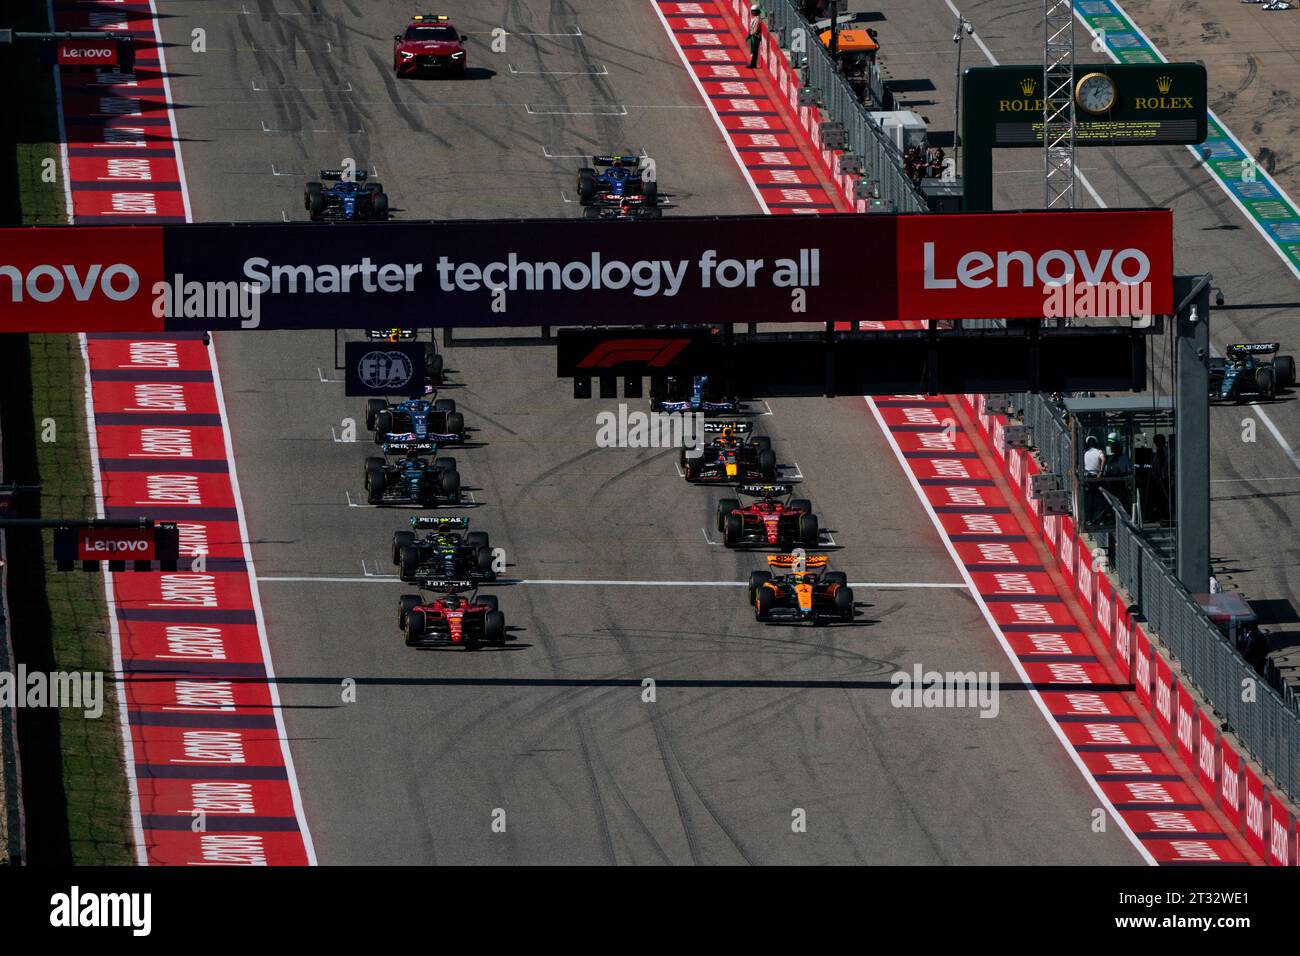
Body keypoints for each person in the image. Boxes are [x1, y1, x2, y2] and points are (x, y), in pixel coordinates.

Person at [747, 5, 764, 69]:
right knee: (754, 51)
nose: (753, 13)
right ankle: (753, 64)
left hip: (755, 36)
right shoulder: (755, 18)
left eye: (755, 11)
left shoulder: (758, 19)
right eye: (753, 11)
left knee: (754, 51)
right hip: (753, 35)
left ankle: (753, 64)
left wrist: (752, 34)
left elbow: (756, 28)